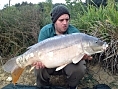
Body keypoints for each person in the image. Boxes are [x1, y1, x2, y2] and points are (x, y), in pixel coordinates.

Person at [33, 5, 92, 89]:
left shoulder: (74, 33)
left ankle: (72, 85)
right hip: (49, 61)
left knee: (80, 68)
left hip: (68, 62)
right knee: (38, 68)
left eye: (67, 20)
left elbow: (80, 54)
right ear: (54, 21)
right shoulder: (45, 31)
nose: (65, 23)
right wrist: (38, 61)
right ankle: (43, 86)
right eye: (61, 20)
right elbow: (39, 52)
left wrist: (83, 56)